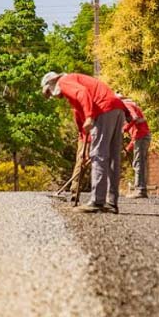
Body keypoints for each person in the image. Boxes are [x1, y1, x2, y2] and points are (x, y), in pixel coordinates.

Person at [41, 71, 128, 214]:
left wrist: (89, 117)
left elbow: (82, 93)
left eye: (49, 93)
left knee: (99, 156)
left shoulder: (64, 82)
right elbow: (83, 128)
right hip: (116, 109)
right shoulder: (74, 87)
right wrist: (86, 148)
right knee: (113, 158)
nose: (52, 96)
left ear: (52, 84)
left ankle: (97, 201)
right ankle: (111, 203)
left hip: (103, 109)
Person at [119, 94, 151, 199]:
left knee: (139, 163)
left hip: (142, 137)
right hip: (141, 137)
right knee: (139, 162)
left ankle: (140, 190)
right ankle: (140, 188)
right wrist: (128, 148)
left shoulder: (126, 105)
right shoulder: (131, 105)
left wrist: (124, 129)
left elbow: (135, 118)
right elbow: (135, 134)